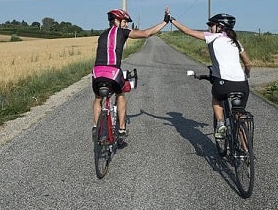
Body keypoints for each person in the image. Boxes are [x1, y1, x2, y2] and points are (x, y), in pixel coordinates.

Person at [169, 12, 252, 139]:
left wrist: (172, 20)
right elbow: (248, 63)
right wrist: (246, 75)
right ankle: (245, 152)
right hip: (242, 84)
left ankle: (220, 123)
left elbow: (186, 31)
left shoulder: (213, 37)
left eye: (211, 25)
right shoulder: (236, 42)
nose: (210, 27)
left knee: (216, 98)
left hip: (224, 82)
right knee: (239, 115)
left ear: (220, 26)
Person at [92, 7, 170, 139]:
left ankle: (95, 127)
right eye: (124, 21)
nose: (126, 24)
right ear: (117, 20)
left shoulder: (102, 35)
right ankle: (122, 129)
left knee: (98, 98)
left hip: (97, 72)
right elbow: (146, 33)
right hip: (113, 72)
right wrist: (165, 22)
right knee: (120, 95)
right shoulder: (122, 32)